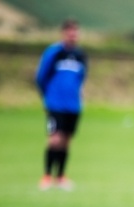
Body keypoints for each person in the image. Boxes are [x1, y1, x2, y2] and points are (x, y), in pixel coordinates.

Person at [36, 19, 88, 191]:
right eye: (70, 32)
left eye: (75, 32)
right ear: (63, 33)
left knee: (66, 140)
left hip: (73, 105)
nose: (73, 35)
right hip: (55, 104)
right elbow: (41, 77)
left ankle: (61, 176)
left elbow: (81, 78)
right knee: (54, 139)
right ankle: (46, 175)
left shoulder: (80, 55)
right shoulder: (54, 52)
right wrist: (47, 96)